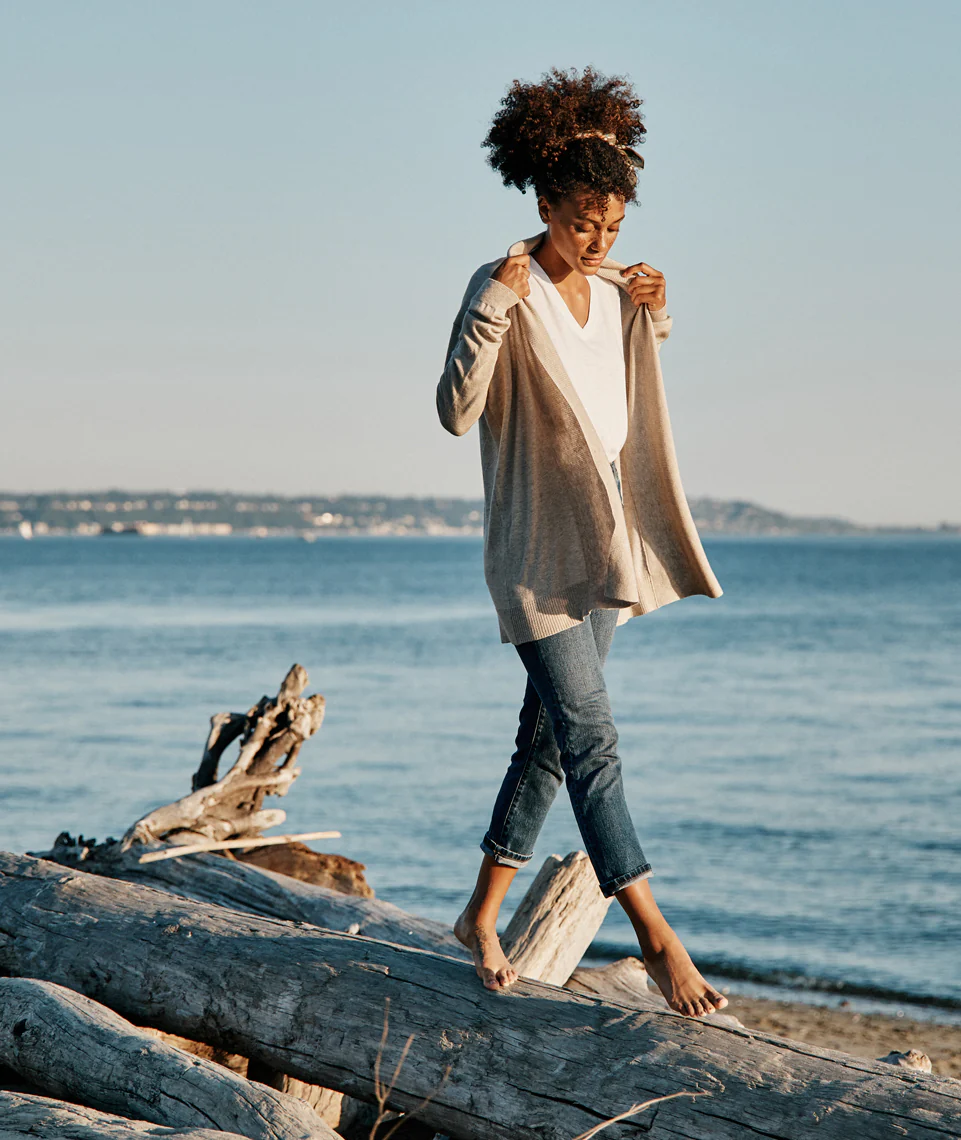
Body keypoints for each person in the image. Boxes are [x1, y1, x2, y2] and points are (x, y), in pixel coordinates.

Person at [435, 66, 728, 1018]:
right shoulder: (502, 284)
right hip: (532, 553)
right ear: (542, 202)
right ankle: (655, 936)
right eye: (579, 221)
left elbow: (629, 382)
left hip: (608, 545)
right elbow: (453, 410)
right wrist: (491, 311)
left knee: (551, 745)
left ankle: (478, 915)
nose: (595, 239)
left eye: (611, 223)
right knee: (593, 737)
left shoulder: (613, 285)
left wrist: (657, 306)